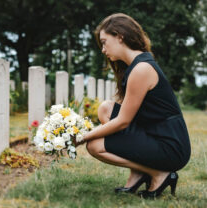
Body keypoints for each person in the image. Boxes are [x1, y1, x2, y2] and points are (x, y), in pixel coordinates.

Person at [75, 13, 191, 199]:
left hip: (170, 146)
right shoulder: (136, 65)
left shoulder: (141, 69)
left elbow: (122, 122)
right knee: (105, 108)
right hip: (154, 134)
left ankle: (158, 174)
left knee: (94, 145)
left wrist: (83, 137)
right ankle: (138, 173)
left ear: (120, 36)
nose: (103, 49)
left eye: (105, 42)